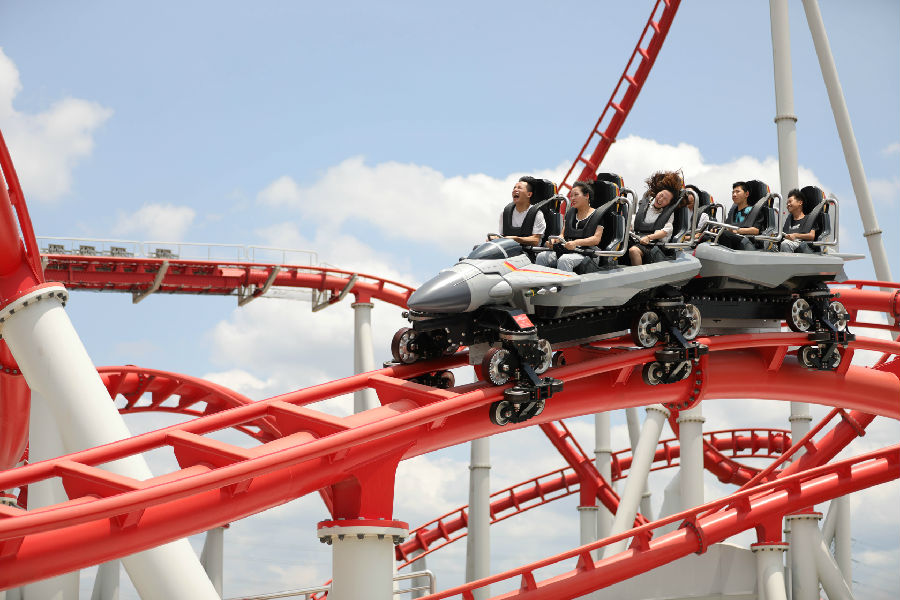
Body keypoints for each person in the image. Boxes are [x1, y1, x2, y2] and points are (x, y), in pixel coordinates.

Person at [535, 181, 602, 271]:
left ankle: (563, 281)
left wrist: (576, 243)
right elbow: (562, 235)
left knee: (565, 260)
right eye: (571, 196)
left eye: (576, 195)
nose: (572, 198)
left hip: (587, 253)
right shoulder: (570, 213)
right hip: (567, 250)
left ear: (586, 196)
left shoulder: (597, 215)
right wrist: (554, 241)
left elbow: (596, 239)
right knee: (541, 256)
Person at [627, 170, 682, 266]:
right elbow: (633, 222)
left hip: (653, 244)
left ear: (669, 203)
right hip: (636, 238)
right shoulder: (645, 206)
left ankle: (639, 274)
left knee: (633, 251)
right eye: (661, 195)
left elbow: (665, 231)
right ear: (657, 193)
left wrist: (649, 237)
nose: (661, 199)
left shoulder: (669, 213)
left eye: (665, 199)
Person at [494, 177, 547, 247]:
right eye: (514, 188)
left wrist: (516, 239)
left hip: (529, 251)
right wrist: (495, 238)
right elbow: (503, 236)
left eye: (519, 188)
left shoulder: (537, 214)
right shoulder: (504, 213)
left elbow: (536, 241)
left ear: (529, 194)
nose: (515, 190)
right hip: (509, 250)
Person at [716, 181, 764, 250]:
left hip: (747, 241)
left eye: (737, 192)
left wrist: (737, 231)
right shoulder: (733, 212)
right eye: (733, 192)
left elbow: (756, 230)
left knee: (724, 234)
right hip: (732, 239)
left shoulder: (754, 211)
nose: (734, 195)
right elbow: (726, 226)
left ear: (746, 194)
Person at [780, 188, 816, 252]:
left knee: (785, 244)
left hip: (803, 245)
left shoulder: (809, 219)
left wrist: (795, 235)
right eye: (787, 203)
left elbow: (811, 236)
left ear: (800, 202)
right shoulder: (789, 220)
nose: (788, 205)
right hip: (788, 243)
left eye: (790, 202)